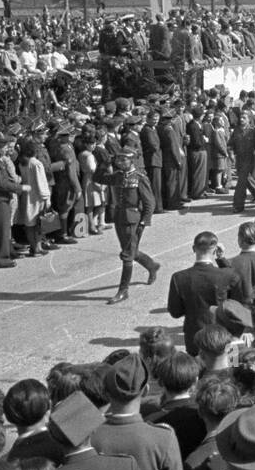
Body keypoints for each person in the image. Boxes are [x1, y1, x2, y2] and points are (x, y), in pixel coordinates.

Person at [94, 147, 158, 305]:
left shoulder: (140, 177)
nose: (120, 162)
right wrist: (104, 163)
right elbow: (98, 178)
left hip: (133, 219)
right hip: (119, 217)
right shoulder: (117, 176)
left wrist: (144, 221)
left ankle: (123, 291)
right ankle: (152, 265)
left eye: (124, 160)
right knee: (131, 251)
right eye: (118, 160)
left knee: (127, 254)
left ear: (132, 160)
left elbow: (150, 201)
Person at [167, 231, 243, 356]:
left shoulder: (178, 277)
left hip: (194, 337)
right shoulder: (227, 275)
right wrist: (221, 258)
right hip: (226, 337)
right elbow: (238, 305)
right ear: (215, 250)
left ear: (193, 249)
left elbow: (175, 312)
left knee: (199, 371)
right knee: (231, 368)